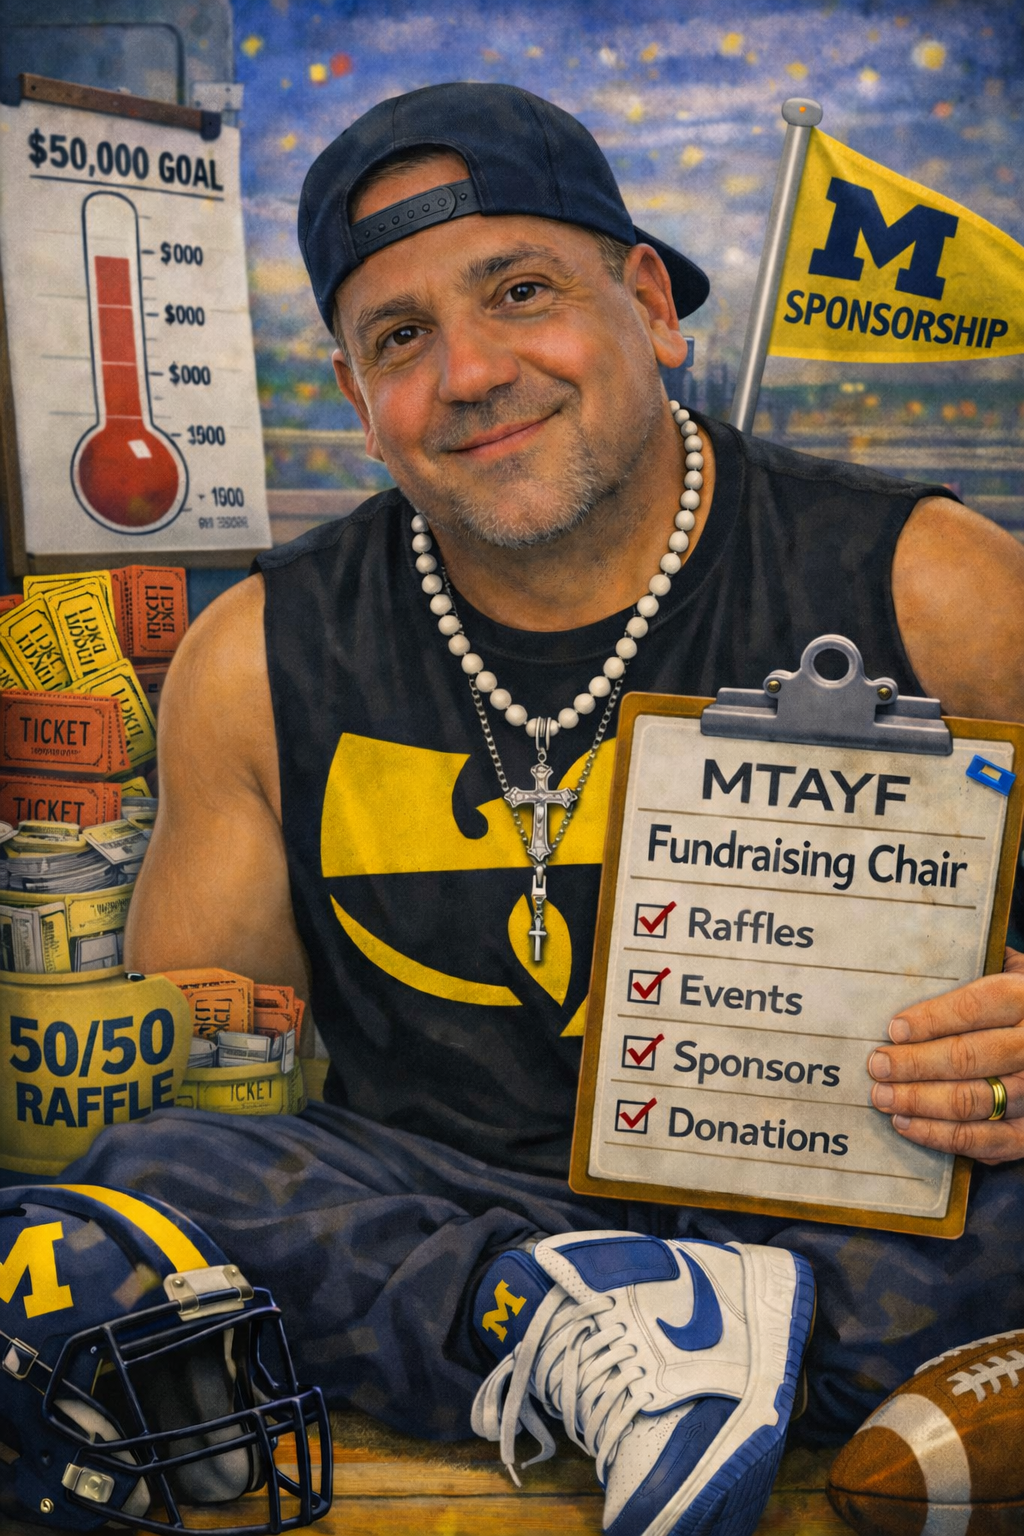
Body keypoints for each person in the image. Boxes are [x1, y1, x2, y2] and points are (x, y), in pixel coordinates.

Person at [66, 83, 1024, 1535]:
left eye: (521, 291)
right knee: (148, 1175)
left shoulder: (934, 583)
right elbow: (199, 1072)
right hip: (447, 1213)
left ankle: (614, 1343)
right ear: (357, 401)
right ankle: (590, 1334)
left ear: (648, 301)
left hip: (831, 1203)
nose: (468, 371)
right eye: (400, 338)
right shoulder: (254, 660)